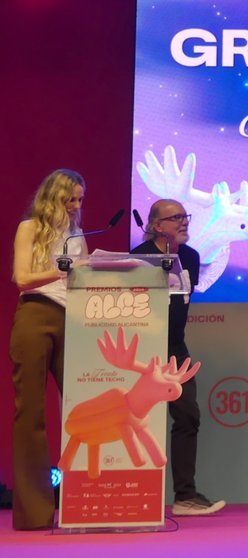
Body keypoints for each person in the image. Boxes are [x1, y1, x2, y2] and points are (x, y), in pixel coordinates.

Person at [132, 199, 226, 516]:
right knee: (137, 421)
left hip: (175, 349)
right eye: (176, 218)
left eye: (185, 216)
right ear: (157, 226)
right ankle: (133, 494)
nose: (184, 222)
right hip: (143, 350)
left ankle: (185, 496)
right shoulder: (137, 259)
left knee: (188, 415)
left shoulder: (190, 257)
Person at [9, 169, 87, 530]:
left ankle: (86, 502)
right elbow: (22, 278)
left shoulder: (78, 234)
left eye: (80, 200)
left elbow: (82, 280)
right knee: (31, 412)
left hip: (70, 319)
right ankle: (34, 513)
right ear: (52, 196)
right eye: (69, 198)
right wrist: (62, 269)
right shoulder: (29, 228)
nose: (75, 206)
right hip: (35, 314)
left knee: (82, 411)